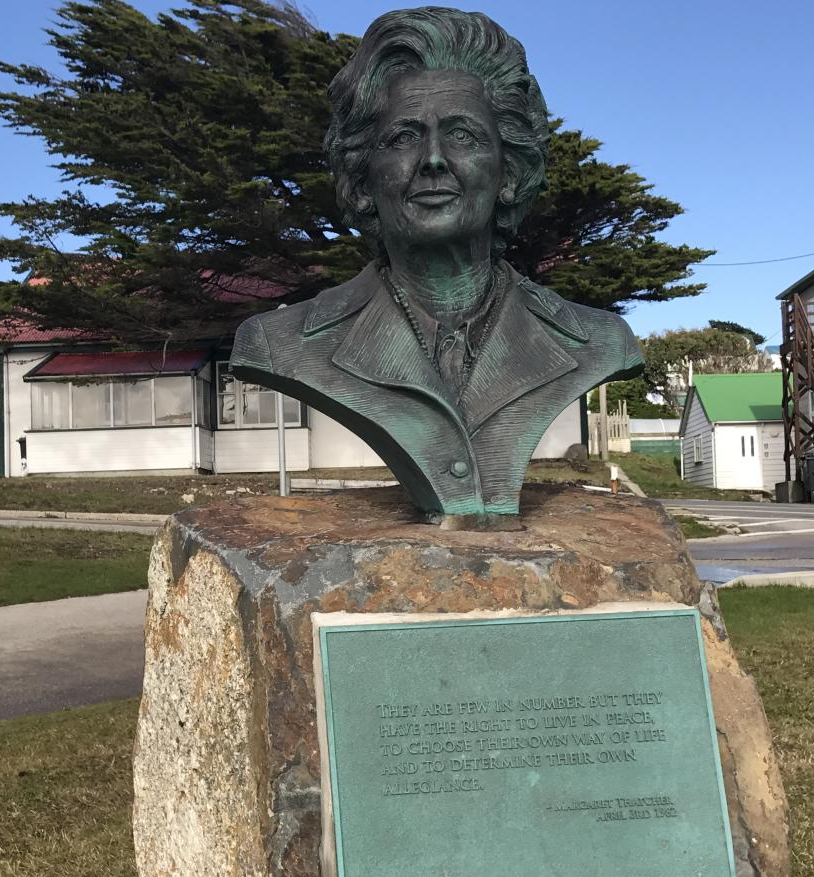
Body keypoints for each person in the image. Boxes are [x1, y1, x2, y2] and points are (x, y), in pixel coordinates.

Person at [231, 7, 643, 518]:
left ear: (509, 173)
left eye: (463, 135)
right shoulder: (278, 345)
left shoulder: (599, 341)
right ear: (362, 181)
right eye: (403, 136)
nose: (432, 159)